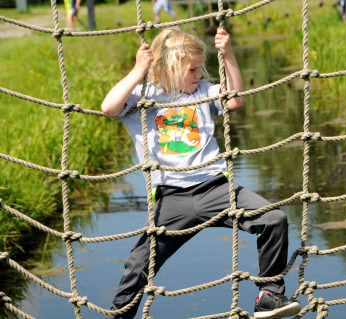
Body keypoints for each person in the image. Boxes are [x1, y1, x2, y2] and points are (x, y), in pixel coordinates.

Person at [101, 27, 301, 319]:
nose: (198, 74)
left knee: (274, 219)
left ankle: (268, 295)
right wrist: (138, 69)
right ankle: (119, 315)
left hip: (215, 189)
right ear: (168, 69)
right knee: (138, 263)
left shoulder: (204, 91)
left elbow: (235, 100)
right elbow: (108, 107)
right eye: (191, 69)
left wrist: (229, 53)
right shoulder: (144, 98)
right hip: (171, 199)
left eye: (199, 68)